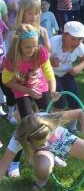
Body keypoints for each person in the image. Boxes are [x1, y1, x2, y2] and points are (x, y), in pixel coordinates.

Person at [0, 109, 84, 189]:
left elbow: (82, 112)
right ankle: (42, 180)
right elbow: (3, 166)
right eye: (41, 143)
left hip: (65, 141)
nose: (46, 143)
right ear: (28, 141)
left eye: (47, 138)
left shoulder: (47, 118)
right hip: (44, 153)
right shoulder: (18, 138)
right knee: (43, 167)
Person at [2, 23, 57, 178]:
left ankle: (51, 150)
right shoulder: (11, 59)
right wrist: (27, 90)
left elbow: (48, 72)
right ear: (18, 45)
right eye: (27, 47)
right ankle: (15, 162)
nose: (32, 50)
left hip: (39, 85)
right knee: (26, 124)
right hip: (21, 89)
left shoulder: (40, 52)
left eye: (34, 46)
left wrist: (52, 90)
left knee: (49, 118)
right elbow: (6, 81)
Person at [50, 21, 84, 132]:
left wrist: (78, 68)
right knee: (59, 101)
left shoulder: (79, 46)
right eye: (73, 39)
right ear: (64, 35)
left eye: (79, 39)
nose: (76, 42)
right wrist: (51, 61)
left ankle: (72, 126)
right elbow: (41, 58)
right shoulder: (53, 42)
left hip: (67, 73)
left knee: (75, 100)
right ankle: (56, 127)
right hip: (52, 74)